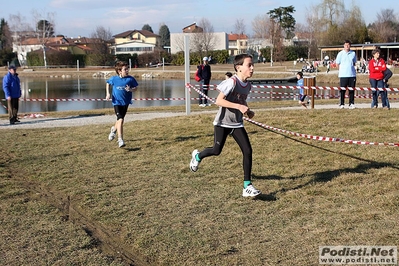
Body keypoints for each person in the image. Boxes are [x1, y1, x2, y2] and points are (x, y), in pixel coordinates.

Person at [189, 54, 261, 198]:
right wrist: (239, 106)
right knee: (216, 150)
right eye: (249, 65)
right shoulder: (231, 82)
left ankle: (247, 186)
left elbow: (241, 100)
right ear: (238, 68)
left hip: (237, 123)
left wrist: (248, 110)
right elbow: (219, 101)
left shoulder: (248, 85)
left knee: (247, 150)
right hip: (222, 123)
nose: (252, 68)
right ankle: (197, 156)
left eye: (253, 65)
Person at [106, 61, 138, 148]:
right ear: (119, 71)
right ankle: (120, 140)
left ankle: (113, 130)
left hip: (126, 102)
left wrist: (130, 90)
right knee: (120, 119)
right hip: (116, 102)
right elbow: (108, 83)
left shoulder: (130, 79)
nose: (127, 71)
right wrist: (108, 94)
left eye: (127, 69)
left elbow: (135, 88)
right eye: (125, 69)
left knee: (121, 120)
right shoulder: (114, 79)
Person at [336, 40, 357, 109]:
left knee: (351, 90)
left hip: (352, 75)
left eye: (348, 45)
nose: (347, 46)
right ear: (344, 46)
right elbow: (337, 64)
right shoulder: (340, 54)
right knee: (342, 90)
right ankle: (342, 103)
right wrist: (341, 70)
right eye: (346, 45)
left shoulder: (353, 53)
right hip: (343, 75)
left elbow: (354, 63)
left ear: (350, 45)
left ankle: (351, 103)